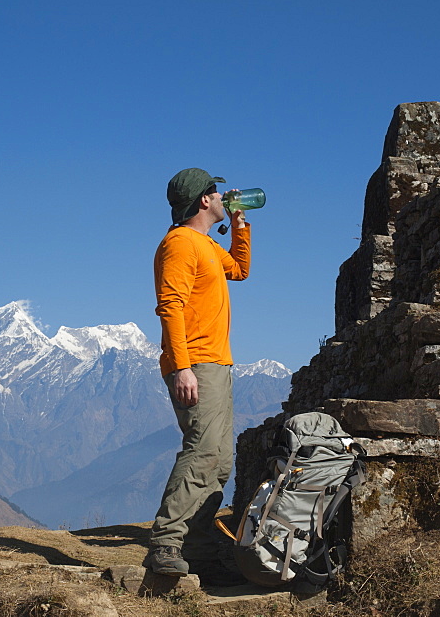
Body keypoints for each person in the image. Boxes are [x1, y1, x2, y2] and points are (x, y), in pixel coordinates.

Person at [143, 167, 251, 587]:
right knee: (202, 451)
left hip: (216, 363)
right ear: (204, 200)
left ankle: (198, 547)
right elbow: (169, 305)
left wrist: (239, 227)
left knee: (221, 460)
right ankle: (167, 542)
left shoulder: (206, 244)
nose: (224, 196)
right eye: (217, 191)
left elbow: (239, 269)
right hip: (196, 363)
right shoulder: (179, 244)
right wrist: (182, 366)